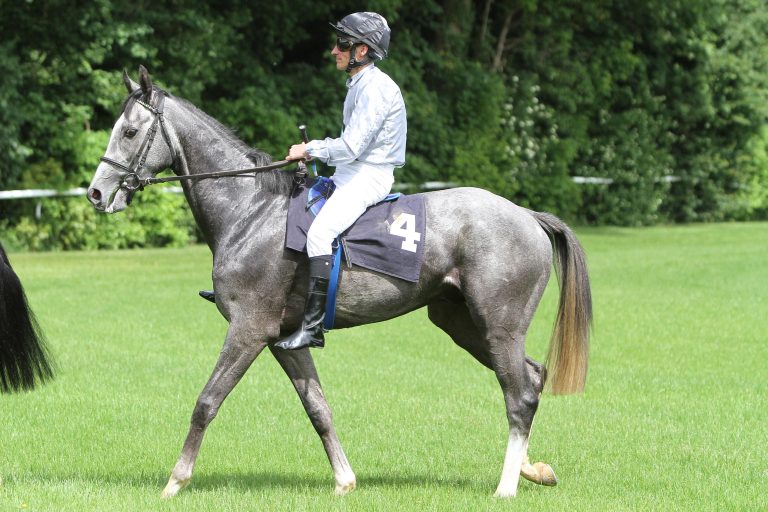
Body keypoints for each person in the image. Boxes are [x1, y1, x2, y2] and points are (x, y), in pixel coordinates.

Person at [276, 12, 407, 350]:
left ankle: (313, 327)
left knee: (319, 234)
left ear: (360, 50)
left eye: (341, 44)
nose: (334, 50)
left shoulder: (376, 89)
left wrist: (310, 149)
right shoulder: (360, 84)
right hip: (351, 172)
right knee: (294, 210)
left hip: (368, 177)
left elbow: (351, 147)